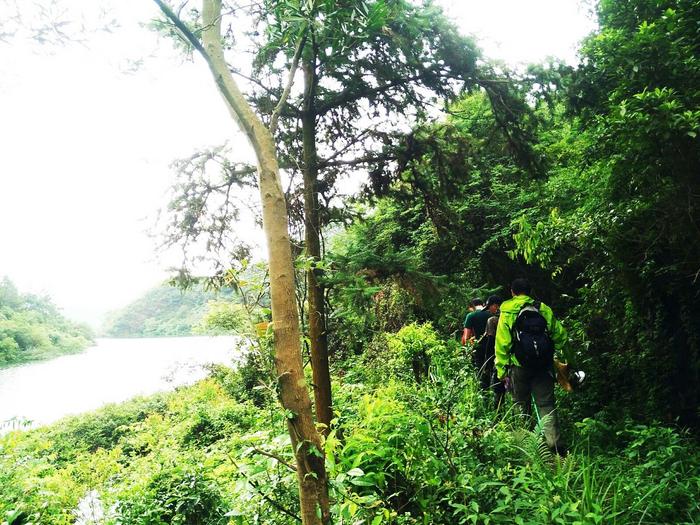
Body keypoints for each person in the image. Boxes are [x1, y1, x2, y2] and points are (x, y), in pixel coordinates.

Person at [495, 278, 568, 454]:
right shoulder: (542, 308)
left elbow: (502, 344)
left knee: (521, 404)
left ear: (512, 292)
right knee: (546, 404)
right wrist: (559, 356)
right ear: (530, 291)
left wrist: (501, 371)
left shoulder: (507, 311)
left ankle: (531, 447)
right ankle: (555, 446)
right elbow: (561, 335)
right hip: (543, 365)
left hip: (518, 366)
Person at [464, 297, 493, 388]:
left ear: (471, 307)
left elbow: (466, 337)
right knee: (492, 371)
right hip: (493, 347)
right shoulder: (491, 314)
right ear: (483, 304)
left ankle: (484, 395)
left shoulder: (471, 315)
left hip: (479, 349)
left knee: (481, 372)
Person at [483, 295, 505, 408]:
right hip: (519, 358)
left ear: (495, 306)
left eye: (489, 307)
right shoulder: (512, 316)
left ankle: (498, 416)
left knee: (498, 388)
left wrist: (488, 363)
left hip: (501, 358)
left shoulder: (492, 320)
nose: (489, 310)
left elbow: (491, 343)